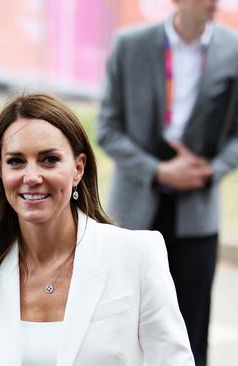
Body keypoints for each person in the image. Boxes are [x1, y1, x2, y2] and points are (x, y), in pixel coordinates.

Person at [0, 94, 194, 365]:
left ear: (78, 168)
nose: (32, 177)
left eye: (49, 160)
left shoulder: (136, 254)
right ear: (1, 170)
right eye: (16, 161)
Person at [96, 1, 238, 364]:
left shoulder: (232, 49)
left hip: (197, 208)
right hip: (136, 209)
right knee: (120, 327)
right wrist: (158, 171)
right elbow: (108, 130)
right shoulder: (130, 45)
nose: (215, 3)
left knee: (191, 333)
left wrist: (212, 169)